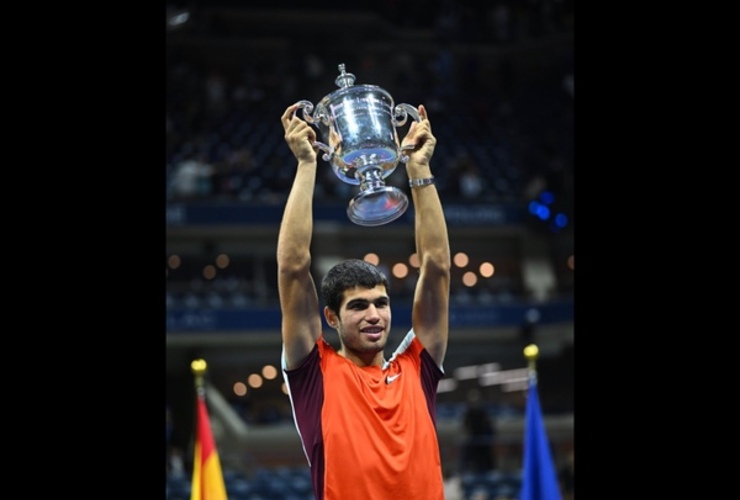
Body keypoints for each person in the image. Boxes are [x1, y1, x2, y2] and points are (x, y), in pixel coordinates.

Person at [278, 102, 451, 500]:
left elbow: (437, 266)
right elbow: (292, 267)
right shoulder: (314, 372)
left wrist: (419, 167)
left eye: (381, 303)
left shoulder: (417, 367)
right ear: (331, 318)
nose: (374, 315)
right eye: (357, 306)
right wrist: (307, 164)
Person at [460, 388, 497, 474]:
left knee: (486, 463)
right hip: (473, 443)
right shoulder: (468, 413)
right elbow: (465, 426)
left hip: (484, 444)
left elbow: (489, 427)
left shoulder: (483, 412)